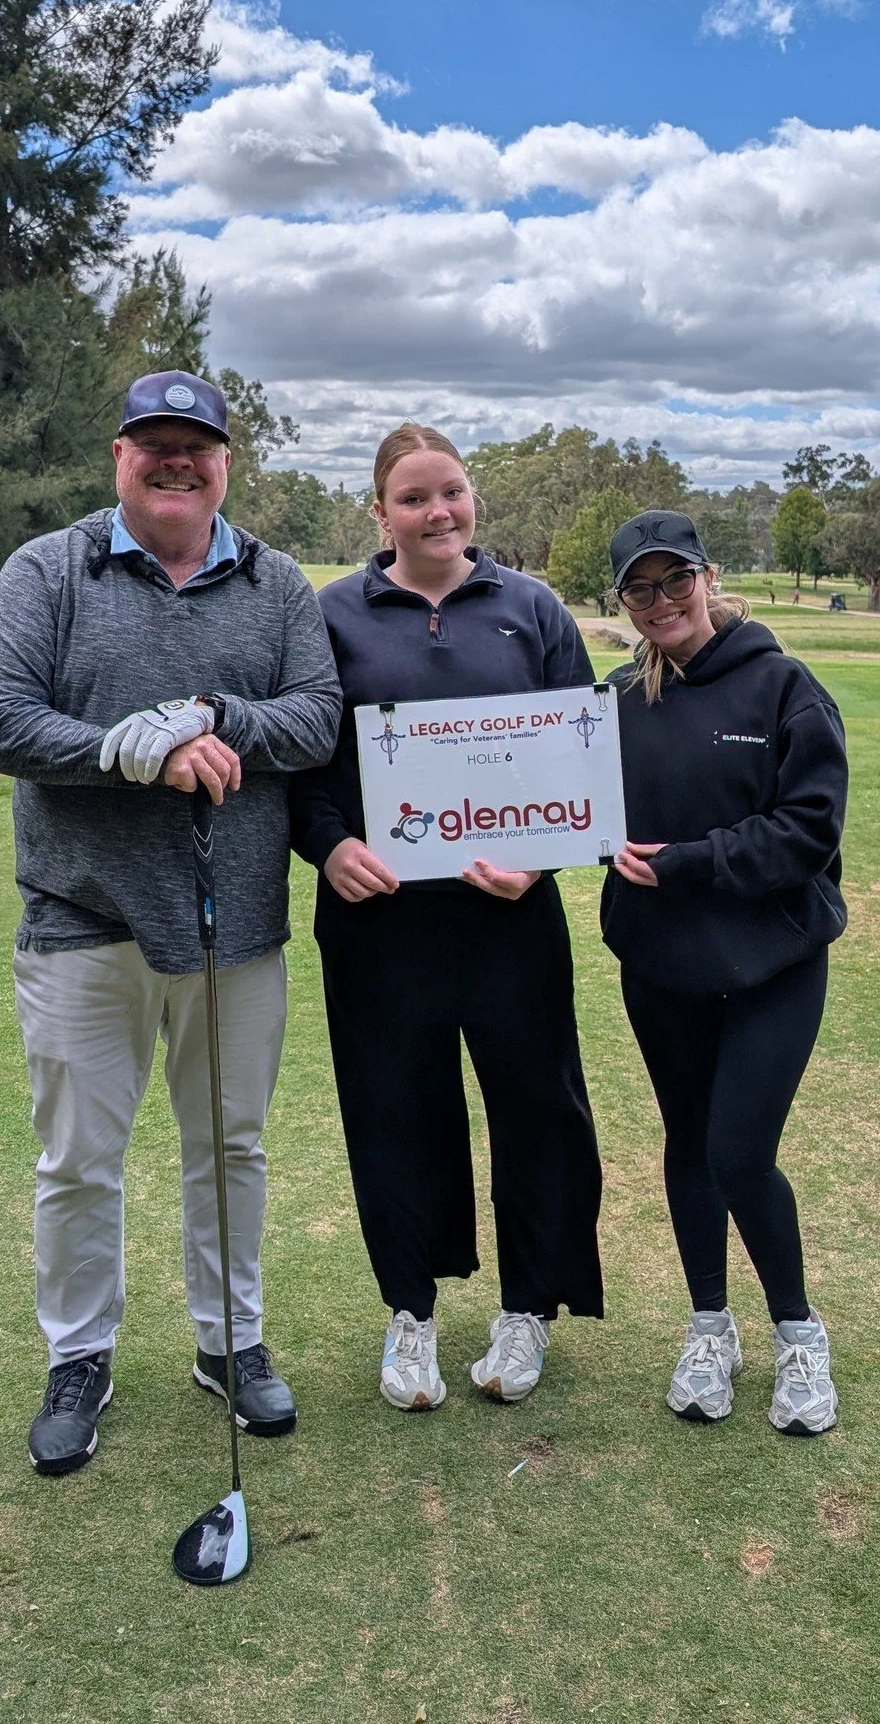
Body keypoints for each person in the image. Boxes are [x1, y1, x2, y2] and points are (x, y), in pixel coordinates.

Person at [0, 370, 341, 1474]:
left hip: (238, 929)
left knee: (230, 1147)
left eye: (199, 447)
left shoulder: (277, 584)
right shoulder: (50, 569)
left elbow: (317, 719)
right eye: (154, 445)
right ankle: (78, 1354)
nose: (177, 462)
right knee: (79, 1158)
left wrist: (211, 717)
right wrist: (128, 748)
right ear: (118, 457)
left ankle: (230, 1342)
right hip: (83, 922)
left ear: (227, 461)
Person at [291, 424, 603, 1413]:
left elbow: (585, 758)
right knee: (394, 1110)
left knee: (536, 1106)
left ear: (473, 501)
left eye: (453, 492)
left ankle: (527, 1311)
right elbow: (298, 765)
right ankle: (411, 1316)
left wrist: (541, 854)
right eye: (416, 496)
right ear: (379, 511)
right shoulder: (332, 615)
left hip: (510, 914)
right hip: (380, 921)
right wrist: (330, 844)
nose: (439, 512)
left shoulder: (532, 609)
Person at [602, 510, 847, 1436]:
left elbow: (809, 831)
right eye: (641, 587)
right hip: (662, 964)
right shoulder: (618, 699)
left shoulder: (784, 687)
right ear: (622, 601)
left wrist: (692, 860)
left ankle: (797, 1332)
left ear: (708, 578)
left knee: (738, 1151)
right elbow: (559, 795)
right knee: (687, 1143)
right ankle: (712, 1326)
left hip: (774, 961)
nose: (661, 601)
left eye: (676, 581)